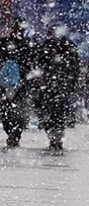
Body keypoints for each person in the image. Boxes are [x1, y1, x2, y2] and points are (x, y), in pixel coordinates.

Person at [0, 17, 37, 149]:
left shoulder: (6, 42)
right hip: (17, 84)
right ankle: (14, 134)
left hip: (10, 84)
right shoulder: (26, 44)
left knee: (9, 110)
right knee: (15, 111)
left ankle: (13, 134)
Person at [35, 23, 80, 153]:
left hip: (61, 87)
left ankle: (57, 139)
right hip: (48, 87)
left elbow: (74, 67)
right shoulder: (46, 46)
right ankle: (52, 138)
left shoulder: (68, 46)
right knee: (48, 114)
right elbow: (38, 64)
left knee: (59, 114)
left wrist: (71, 83)